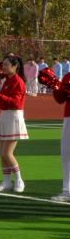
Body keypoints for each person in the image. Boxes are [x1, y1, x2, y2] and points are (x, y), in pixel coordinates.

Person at [0, 55, 28, 193]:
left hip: (14, 116)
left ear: (15, 66)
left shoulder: (18, 81)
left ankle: (19, 180)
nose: (3, 67)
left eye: (6, 65)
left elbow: (15, 102)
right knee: (2, 154)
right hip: (5, 115)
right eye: (3, 65)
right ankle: (6, 182)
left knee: (7, 153)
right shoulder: (7, 80)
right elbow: (0, 101)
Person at [50, 68, 70, 202]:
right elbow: (60, 99)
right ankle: (67, 190)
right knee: (67, 155)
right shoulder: (68, 76)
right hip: (69, 117)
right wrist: (54, 85)